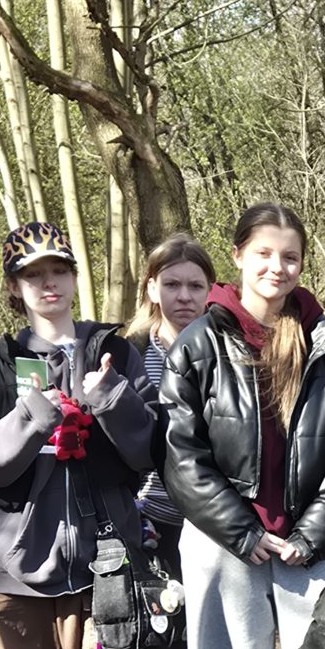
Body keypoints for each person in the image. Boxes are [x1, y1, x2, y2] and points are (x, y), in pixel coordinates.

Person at [162, 202, 325, 649]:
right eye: (263, 253)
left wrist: (312, 536)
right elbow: (183, 456)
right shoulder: (197, 345)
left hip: (309, 542)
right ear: (237, 256)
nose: (277, 267)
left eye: (291, 257)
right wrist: (242, 532)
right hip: (223, 540)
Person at [0, 221, 158, 649]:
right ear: (14, 287)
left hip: (105, 569)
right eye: (33, 275)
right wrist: (31, 415)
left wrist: (112, 396)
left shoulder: (115, 352)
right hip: (17, 576)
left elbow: (147, 452)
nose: (49, 284)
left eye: (59, 271)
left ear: (72, 278)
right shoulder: (2, 364)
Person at [123, 233, 215, 589]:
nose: (184, 296)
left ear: (210, 290)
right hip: (149, 523)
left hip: (214, 525)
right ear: (151, 289)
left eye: (195, 285)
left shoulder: (231, 355)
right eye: (172, 284)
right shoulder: (127, 355)